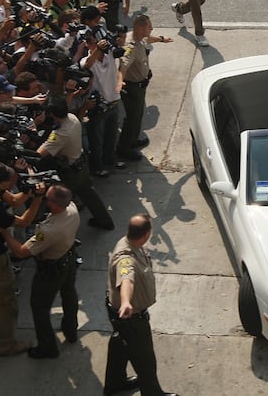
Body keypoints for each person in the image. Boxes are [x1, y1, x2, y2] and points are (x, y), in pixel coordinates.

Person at [0, 184, 80, 359]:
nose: (43, 200)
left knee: (39, 307)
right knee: (69, 293)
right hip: (68, 258)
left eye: (46, 198)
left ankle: (47, 347)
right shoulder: (72, 208)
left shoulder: (49, 231)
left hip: (51, 269)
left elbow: (22, 252)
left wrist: (5, 233)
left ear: (54, 205)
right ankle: (71, 331)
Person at [0, 161, 44, 356]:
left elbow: (13, 201)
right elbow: (24, 221)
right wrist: (38, 199)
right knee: (5, 300)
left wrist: (29, 192)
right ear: (0, 184)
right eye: (7, 180)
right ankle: (7, 345)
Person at [104, 214, 178, 396]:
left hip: (120, 314)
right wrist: (126, 302)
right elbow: (126, 278)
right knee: (145, 358)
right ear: (146, 235)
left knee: (120, 346)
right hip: (131, 317)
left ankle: (115, 383)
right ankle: (152, 393)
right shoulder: (126, 258)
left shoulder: (129, 242)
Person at [37, 97, 115, 230]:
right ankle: (104, 221)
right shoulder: (72, 118)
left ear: (52, 114)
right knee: (89, 195)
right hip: (81, 165)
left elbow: (39, 154)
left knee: (57, 201)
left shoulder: (60, 134)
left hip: (70, 173)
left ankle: (56, 231)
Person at [117, 14, 171, 160]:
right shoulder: (131, 46)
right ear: (141, 28)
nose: (152, 28)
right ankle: (124, 149)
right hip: (133, 87)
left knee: (138, 114)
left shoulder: (139, 37)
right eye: (149, 26)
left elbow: (148, 39)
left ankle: (133, 140)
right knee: (132, 118)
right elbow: (123, 65)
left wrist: (161, 39)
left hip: (140, 86)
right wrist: (120, 81)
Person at [81, 26, 122, 178]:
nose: (97, 43)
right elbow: (86, 66)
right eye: (92, 42)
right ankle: (97, 167)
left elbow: (120, 48)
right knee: (96, 141)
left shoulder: (110, 53)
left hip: (114, 102)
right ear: (88, 44)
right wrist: (97, 49)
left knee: (111, 137)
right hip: (98, 107)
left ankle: (110, 161)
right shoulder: (86, 60)